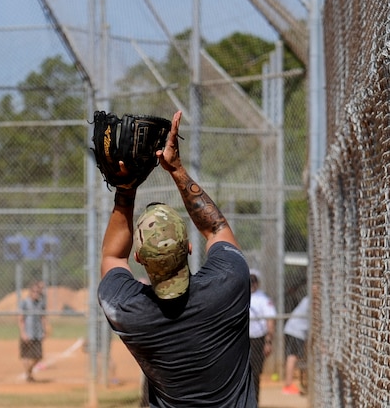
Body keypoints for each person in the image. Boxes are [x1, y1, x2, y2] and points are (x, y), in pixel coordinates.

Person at [98, 110, 256, 406]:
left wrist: (125, 189)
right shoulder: (229, 285)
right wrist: (176, 169)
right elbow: (216, 228)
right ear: (189, 248)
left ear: (139, 258)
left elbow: (112, 256)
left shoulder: (129, 312)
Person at [248, 269, 276, 403]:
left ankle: (254, 401)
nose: (251, 283)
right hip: (240, 339)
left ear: (257, 283)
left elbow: (270, 321)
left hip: (257, 339)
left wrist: (268, 342)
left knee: (254, 372)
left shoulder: (263, 299)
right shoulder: (240, 296)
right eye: (249, 280)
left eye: (254, 280)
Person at [17, 281, 48, 382]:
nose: (36, 293)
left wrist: (44, 330)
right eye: (34, 291)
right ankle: (29, 375)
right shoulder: (25, 303)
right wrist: (23, 333)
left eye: (38, 292)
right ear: (30, 292)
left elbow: (43, 317)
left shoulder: (41, 303)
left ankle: (28, 372)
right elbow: (21, 319)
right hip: (27, 332)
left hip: (37, 333)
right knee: (26, 356)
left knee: (38, 357)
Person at [282, 294, 310, 395]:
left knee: (293, 356)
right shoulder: (310, 300)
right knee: (292, 356)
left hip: (296, 330)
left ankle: (288, 384)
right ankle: (288, 386)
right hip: (296, 331)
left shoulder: (310, 299)